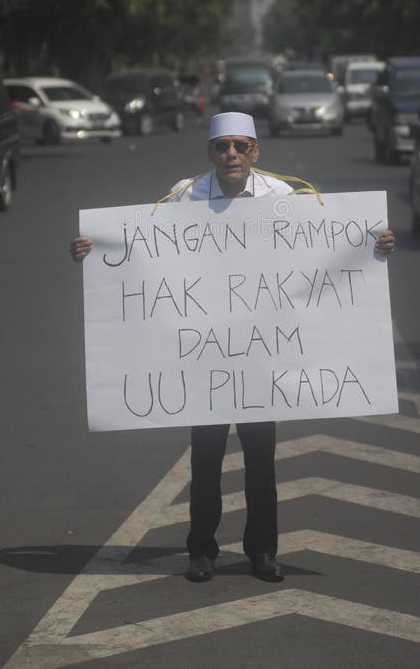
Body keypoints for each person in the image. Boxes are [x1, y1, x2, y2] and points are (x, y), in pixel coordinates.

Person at [70, 111, 395, 584]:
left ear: (255, 152)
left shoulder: (283, 199)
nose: (232, 156)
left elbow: (328, 248)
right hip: (205, 355)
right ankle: (201, 551)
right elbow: (138, 249)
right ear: (211, 153)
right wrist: (89, 249)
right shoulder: (184, 196)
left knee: (261, 459)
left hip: (262, 354)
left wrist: (377, 244)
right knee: (205, 459)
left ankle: (262, 552)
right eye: (223, 147)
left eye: (241, 147)